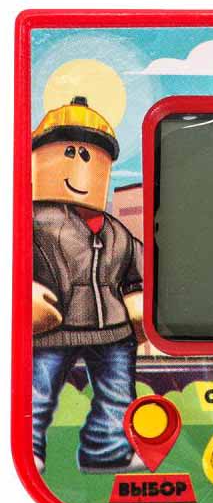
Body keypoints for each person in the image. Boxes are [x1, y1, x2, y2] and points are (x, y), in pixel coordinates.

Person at [31, 96, 144, 474]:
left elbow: (137, 267)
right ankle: (25, 447)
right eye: (70, 152)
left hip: (111, 329)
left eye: (90, 156)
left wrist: (137, 296)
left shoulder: (115, 230)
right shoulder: (32, 221)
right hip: (54, 328)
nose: (81, 165)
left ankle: (107, 450)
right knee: (37, 392)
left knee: (117, 395)